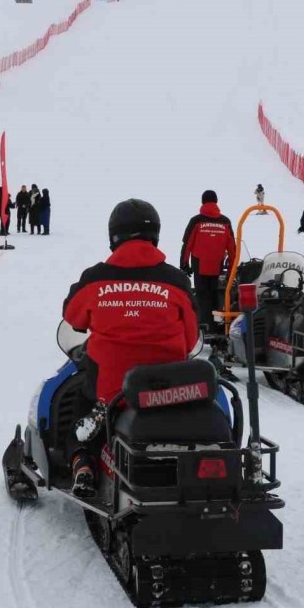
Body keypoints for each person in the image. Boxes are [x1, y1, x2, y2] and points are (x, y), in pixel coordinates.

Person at [62, 199, 199, 497]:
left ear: (114, 236)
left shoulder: (95, 278)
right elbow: (190, 341)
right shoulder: (176, 280)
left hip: (112, 394)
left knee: (82, 408)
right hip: (171, 393)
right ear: (155, 236)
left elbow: (72, 316)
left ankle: (83, 462)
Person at [180, 189, 236, 332]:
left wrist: (184, 265)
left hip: (200, 266)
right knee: (217, 296)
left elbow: (187, 244)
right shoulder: (225, 222)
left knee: (202, 296)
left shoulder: (196, 221)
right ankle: (218, 327)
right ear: (216, 202)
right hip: (218, 267)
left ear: (202, 202)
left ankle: (204, 328)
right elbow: (232, 249)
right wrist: (232, 269)